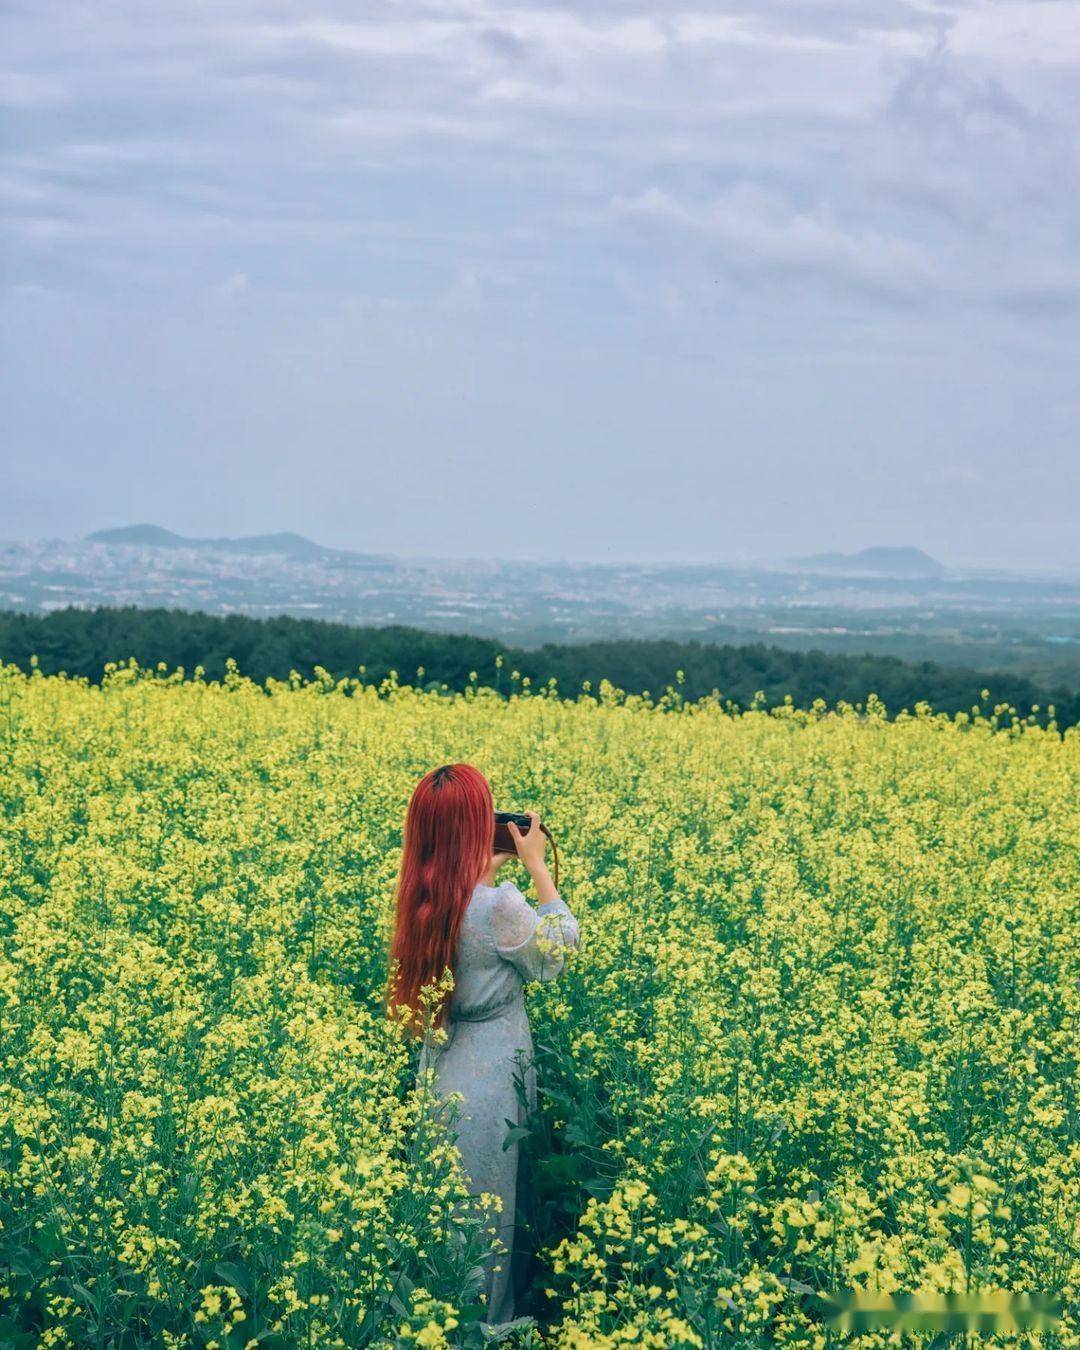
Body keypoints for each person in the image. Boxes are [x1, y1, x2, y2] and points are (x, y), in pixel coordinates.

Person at [386, 763, 580, 1326]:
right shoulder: (499, 907)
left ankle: (436, 1327)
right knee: (488, 1223)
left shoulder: (421, 896)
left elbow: (465, 909)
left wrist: (483, 870)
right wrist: (538, 866)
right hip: (492, 1076)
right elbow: (559, 950)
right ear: (475, 828)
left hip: (442, 1070)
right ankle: (488, 1332)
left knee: (447, 1216)